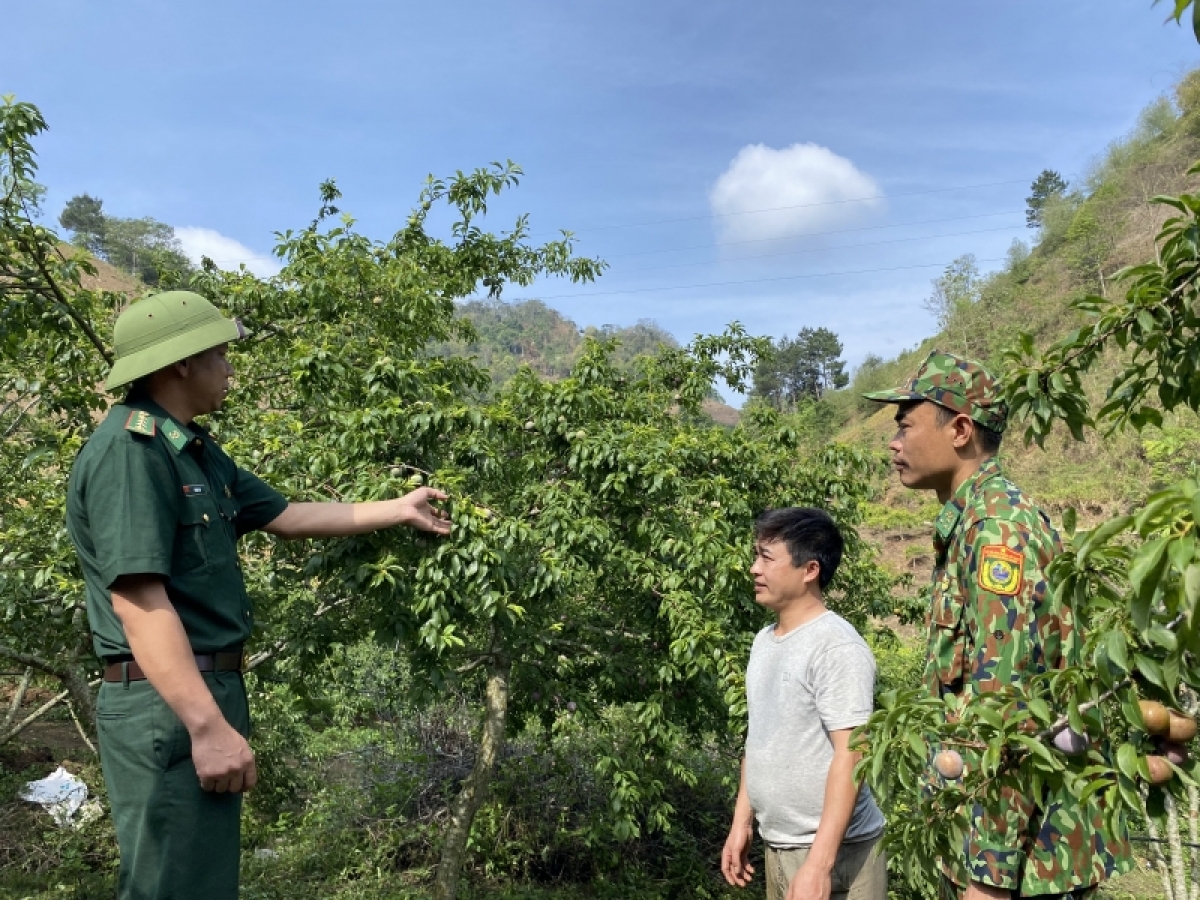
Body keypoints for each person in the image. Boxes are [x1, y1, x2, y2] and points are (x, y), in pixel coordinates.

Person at [66, 291, 452, 900]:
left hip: (195, 691)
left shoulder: (193, 449)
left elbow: (288, 514)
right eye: (220, 354)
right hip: (167, 699)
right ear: (182, 363)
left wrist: (399, 509)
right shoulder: (131, 452)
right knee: (173, 886)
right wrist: (206, 726)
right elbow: (138, 602)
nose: (230, 369)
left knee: (197, 881)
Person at [863, 350, 1132, 900]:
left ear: (960, 429)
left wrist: (987, 878)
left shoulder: (996, 530)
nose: (893, 442)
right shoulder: (972, 522)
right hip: (1003, 848)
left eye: (906, 425)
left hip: (1025, 863)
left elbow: (1007, 706)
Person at [721, 507, 887, 900]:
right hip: (779, 848)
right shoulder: (764, 641)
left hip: (839, 858)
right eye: (755, 556)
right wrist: (742, 820)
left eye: (766, 557)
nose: (753, 569)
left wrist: (818, 865)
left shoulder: (837, 647)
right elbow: (759, 740)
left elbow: (853, 753)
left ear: (809, 570)